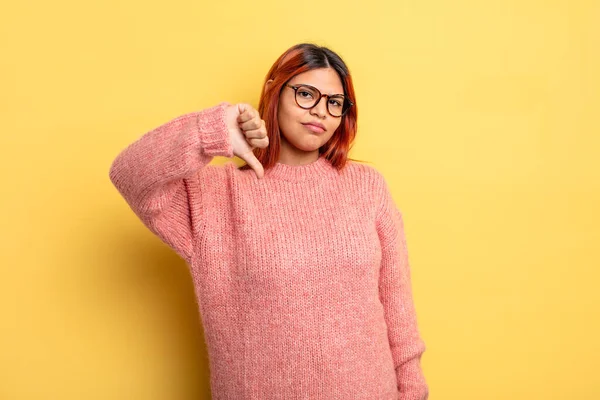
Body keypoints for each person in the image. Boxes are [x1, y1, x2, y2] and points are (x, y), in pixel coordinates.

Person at [109, 42, 429, 400]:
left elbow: (398, 312)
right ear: (275, 92)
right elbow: (128, 173)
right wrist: (211, 131)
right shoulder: (215, 195)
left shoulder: (367, 187)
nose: (321, 112)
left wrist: (413, 392)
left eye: (334, 102)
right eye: (306, 94)